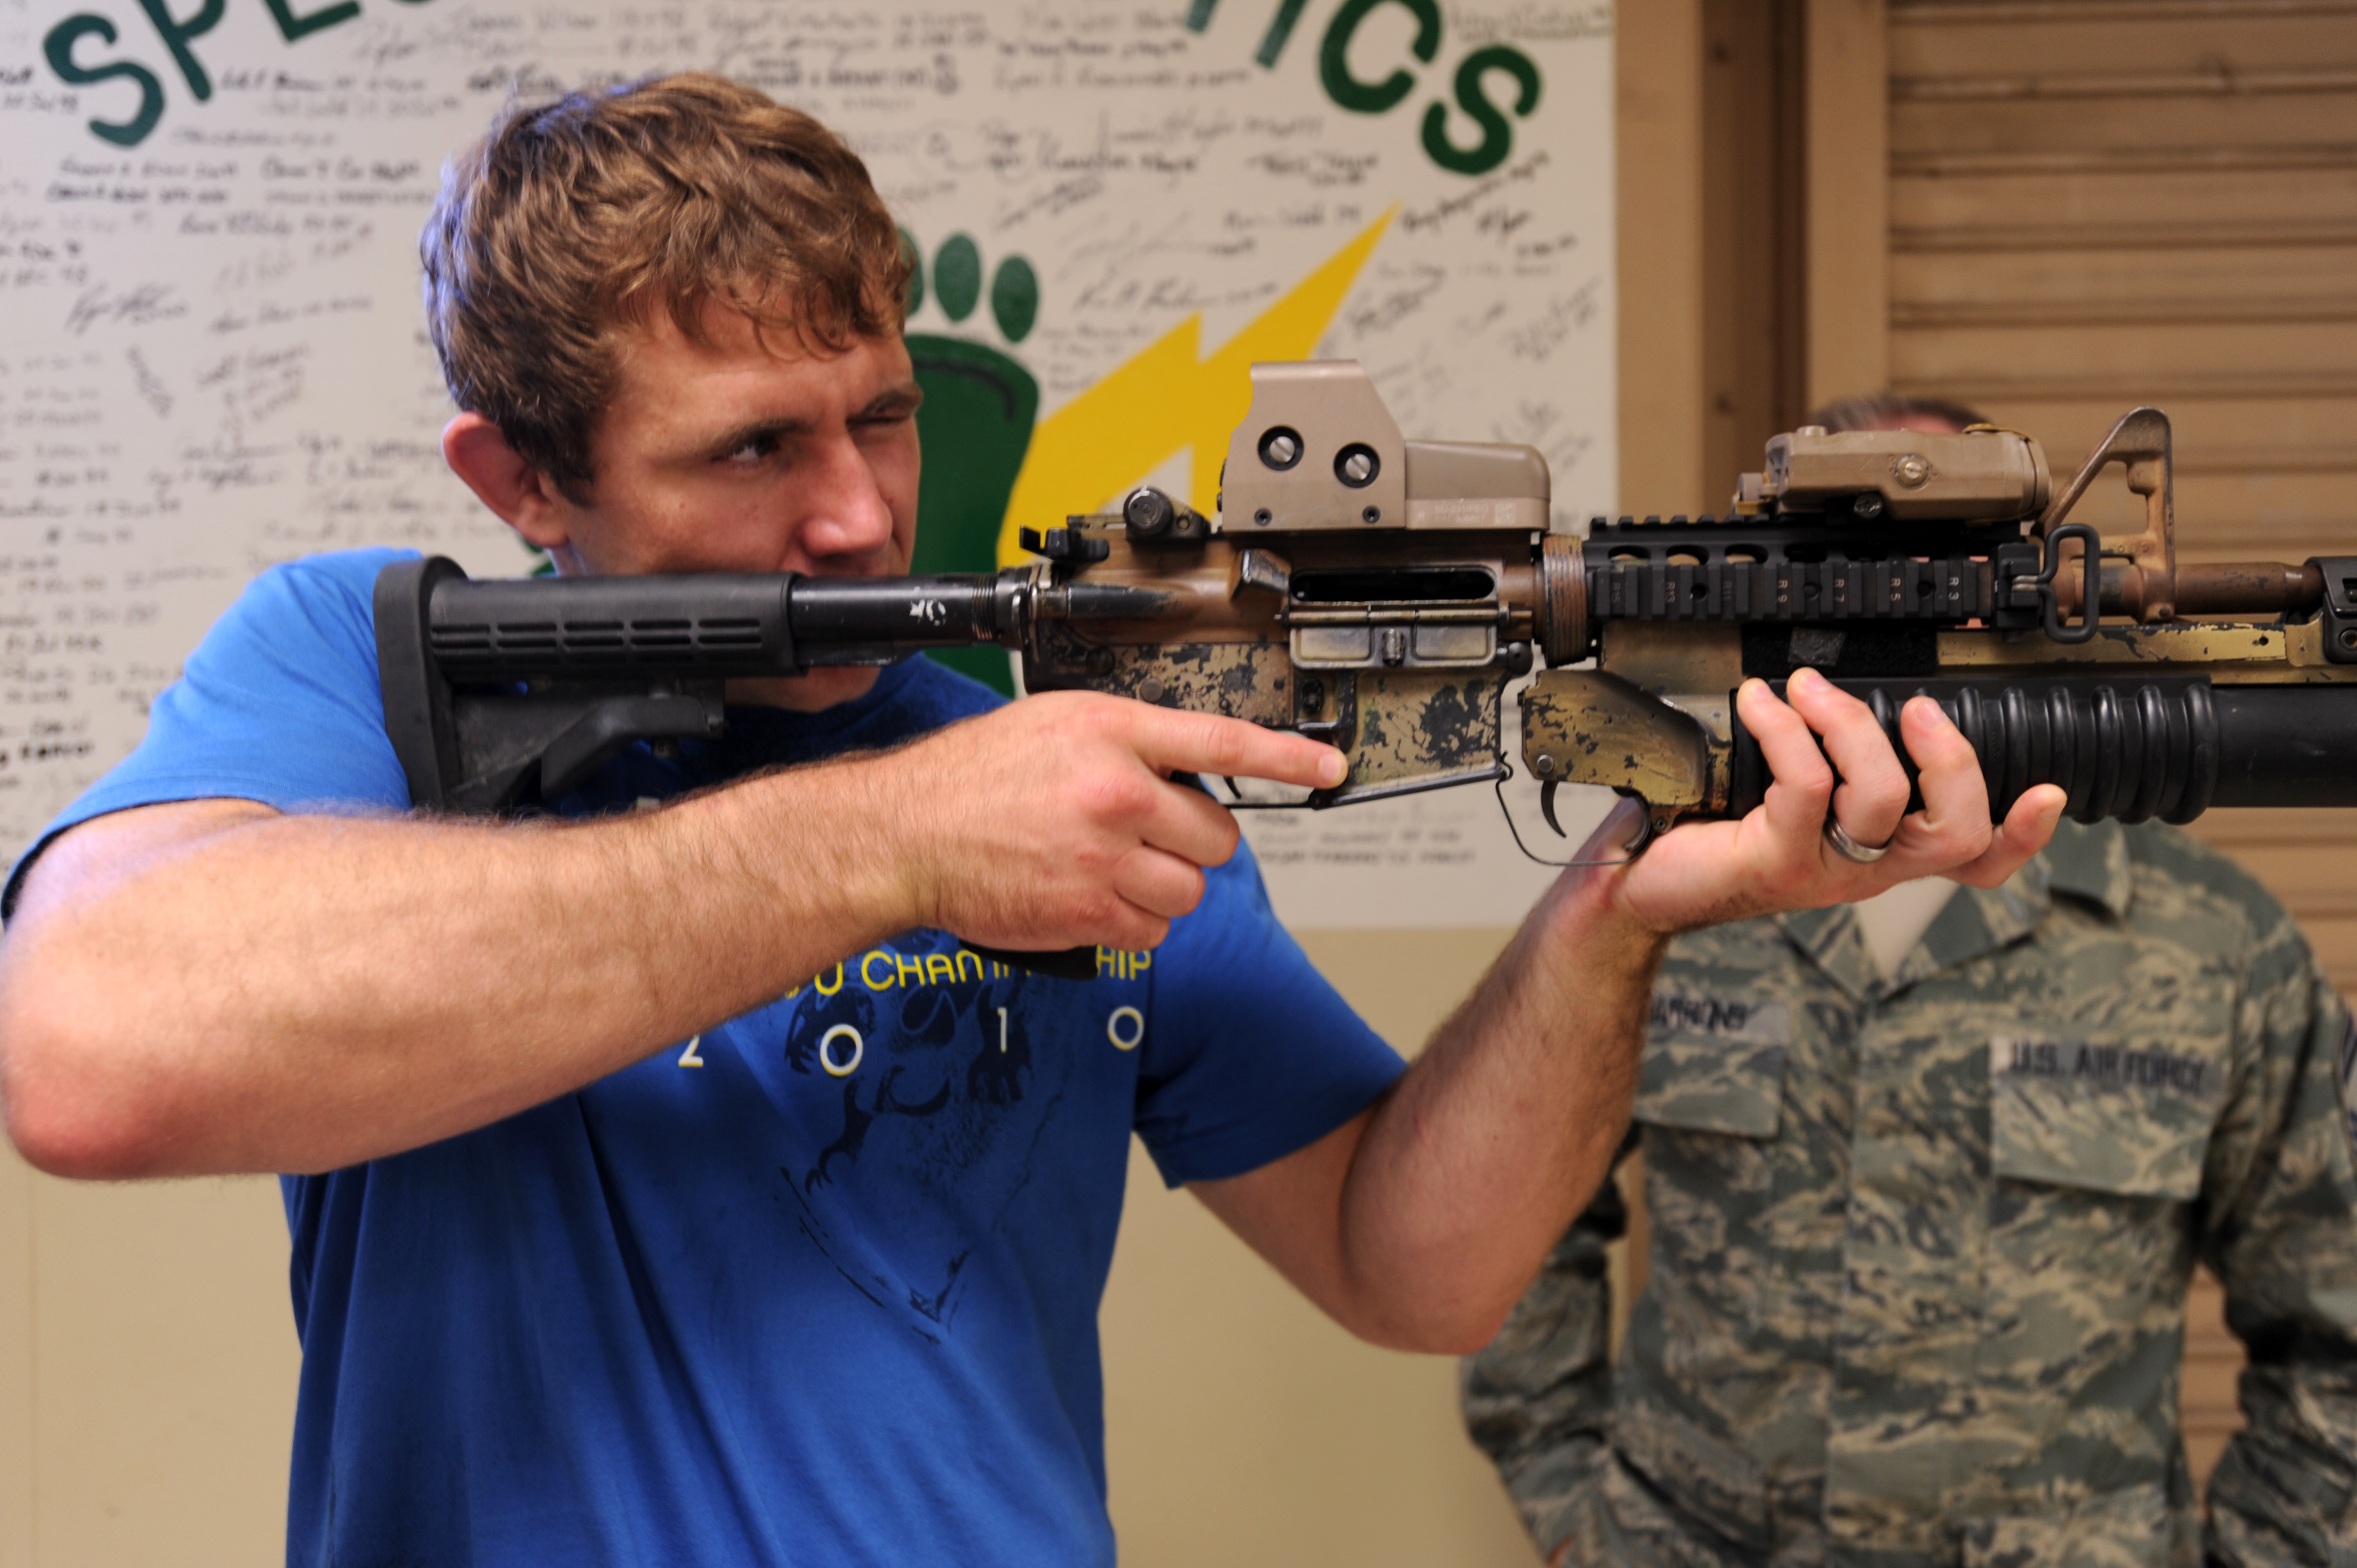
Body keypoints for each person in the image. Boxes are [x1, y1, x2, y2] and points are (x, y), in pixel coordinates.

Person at [0, 82, 2055, 1567]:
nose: (860, 516)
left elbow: (1403, 1261)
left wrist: (1618, 914)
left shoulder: (1043, 763)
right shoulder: (348, 673)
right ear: (520, 480)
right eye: (753, 449)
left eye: (880, 413)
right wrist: (898, 844)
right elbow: (90, 1052)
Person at [1460, 392, 2357, 1568]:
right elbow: (1511, 1215)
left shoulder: (2213, 944)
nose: (1912, 626)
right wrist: (1580, 1515)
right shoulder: (1661, 897)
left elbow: (2335, 1328)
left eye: (1948, 587)